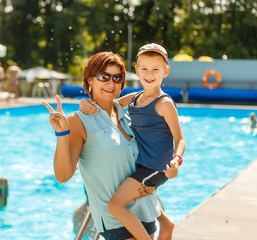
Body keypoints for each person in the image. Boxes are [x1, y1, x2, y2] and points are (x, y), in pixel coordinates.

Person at [42, 52, 167, 240]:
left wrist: (150, 184)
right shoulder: (78, 121)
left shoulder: (125, 114)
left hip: (146, 211)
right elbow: (63, 175)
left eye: (117, 78)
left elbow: (152, 95)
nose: (111, 83)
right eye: (104, 77)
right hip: (115, 222)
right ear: (90, 79)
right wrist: (61, 134)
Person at [79, 43, 186, 239]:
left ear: (166, 71)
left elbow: (180, 138)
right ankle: (166, 224)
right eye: (144, 68)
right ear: (136, 70)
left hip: (154, 166)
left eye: (156, 69)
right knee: (141, 199)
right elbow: (109, 104)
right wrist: (85, 102)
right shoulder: (135, 98)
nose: (149, 73)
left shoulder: (164, 103)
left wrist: (176, 161)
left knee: (115, 205)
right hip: (141, 164)